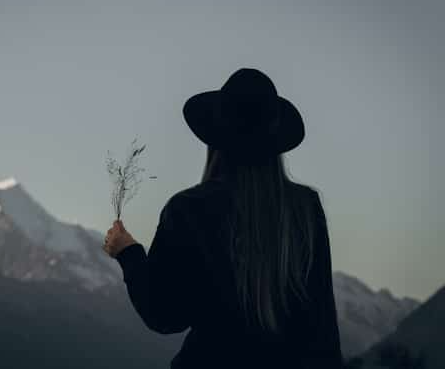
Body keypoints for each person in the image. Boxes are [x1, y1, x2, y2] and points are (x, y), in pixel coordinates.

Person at [102, 68, 344, 368]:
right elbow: (321, 324)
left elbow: (165, 315)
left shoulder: (190, 209)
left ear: (215, 139)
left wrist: (128, 252)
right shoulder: (305, 208)